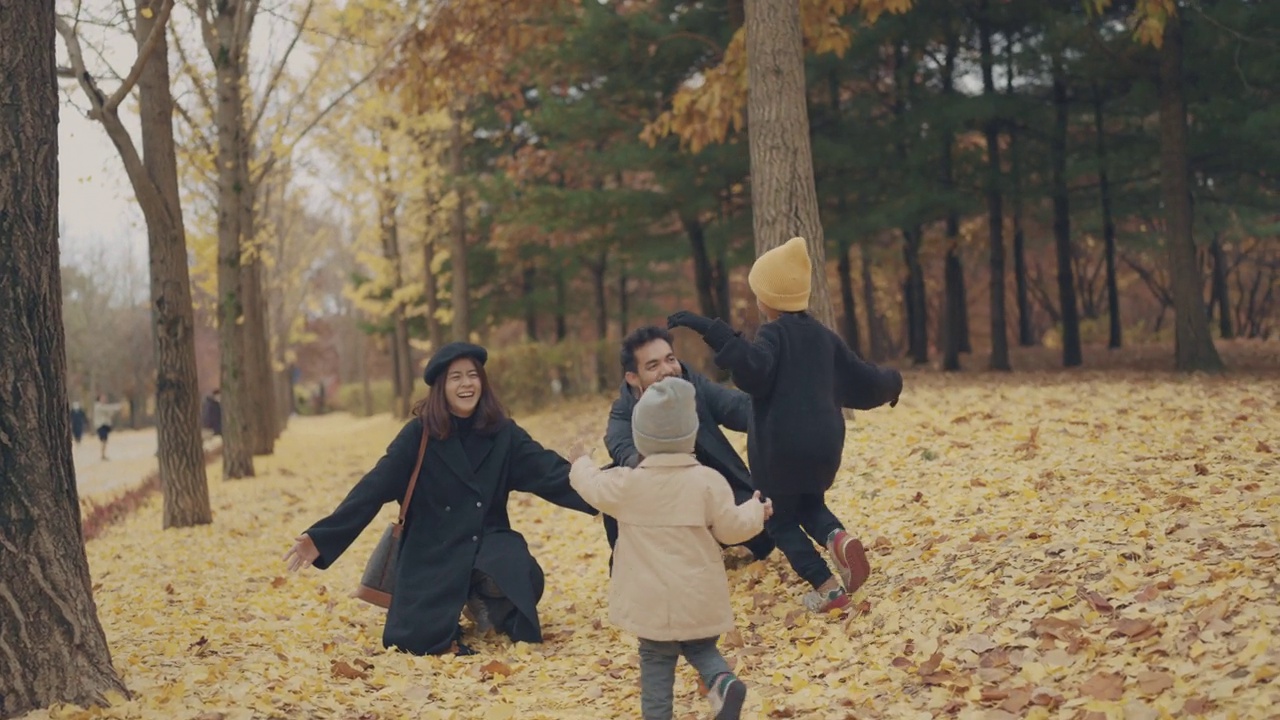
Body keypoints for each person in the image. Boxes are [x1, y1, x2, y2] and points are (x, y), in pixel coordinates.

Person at [283, 342, 598, 656]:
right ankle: (457, 600)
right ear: (441, 387)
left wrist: (601, 487)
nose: (466, 384)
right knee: (416, 640)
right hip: (432, 551)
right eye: (455, 377)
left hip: (487, 542)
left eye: (472, 375)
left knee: (525, 578)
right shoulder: (418, 436)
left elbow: (546, 470)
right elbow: (373, 488)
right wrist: (322, 538)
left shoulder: (503, 433)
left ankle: (478, 602)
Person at [668, 237, 903, 613]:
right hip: (825, 448)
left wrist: (710, 329)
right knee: (809, 502)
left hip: (780, 451)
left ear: (769, 299)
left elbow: (754, 372)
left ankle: (827, 588)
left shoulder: (773, 335)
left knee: (777, 520)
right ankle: (838, 538)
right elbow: (864, 379)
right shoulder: (826, 339)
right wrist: (893, 383)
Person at [569, 377, 771, 720]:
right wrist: (756, 510)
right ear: (691, 435)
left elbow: (592, 486)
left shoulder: (628, 483)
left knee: (656, 663)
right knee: (702, 648)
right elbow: (732, 527)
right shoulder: (708, 481)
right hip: (697, 594)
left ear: (640, 438)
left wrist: (580, 462)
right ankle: (722, 682)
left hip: (651, 602)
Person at [603, 326, 774, 565]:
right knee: (615, 477)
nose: (667, 370)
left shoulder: (693, 386)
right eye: (653, 366)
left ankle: (725, 546)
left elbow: (736, 407)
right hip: (667, 508)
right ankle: (638, 564)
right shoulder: (623, 413)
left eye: (670, 359)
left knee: (764, 527)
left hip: (718, 494)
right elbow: (623, 451)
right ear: (633, 377)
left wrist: (777, 407)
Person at [92, 394, 124, 461]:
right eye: (102, 398)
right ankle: (102, 455)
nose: (104, 399)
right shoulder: (98, 406)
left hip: (105, 425)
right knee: (103, 440)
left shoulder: (102, 406)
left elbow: (109, 413)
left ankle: (103, 455)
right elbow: (108, 409)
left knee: (104, 441)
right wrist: (118, 406)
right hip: (101, 425)